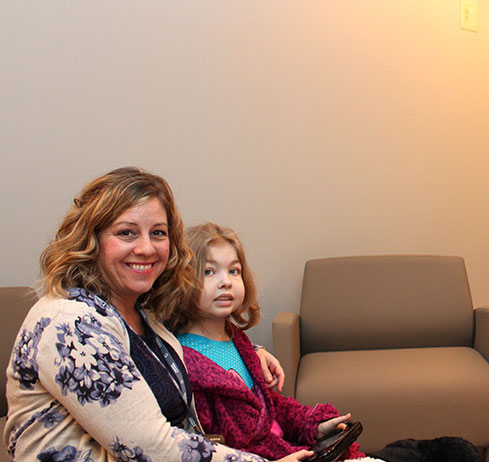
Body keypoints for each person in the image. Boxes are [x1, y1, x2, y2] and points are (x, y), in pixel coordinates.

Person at [4, 167, 311, 462]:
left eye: (158, 233)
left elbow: (197, 344)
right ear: (91, 240)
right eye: (127, 233)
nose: (146, 248)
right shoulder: (70, 323)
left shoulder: (144, 315)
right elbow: (149, 445)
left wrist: (251, 354)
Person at [167, 223, 371, 461]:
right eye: (209, 272)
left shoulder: (239, 341)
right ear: (182, 280)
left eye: (234, 271)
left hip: (284, 448)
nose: (226, 282)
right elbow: (213, 446)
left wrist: (313, 426)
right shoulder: (182, 360)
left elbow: (270, 407)